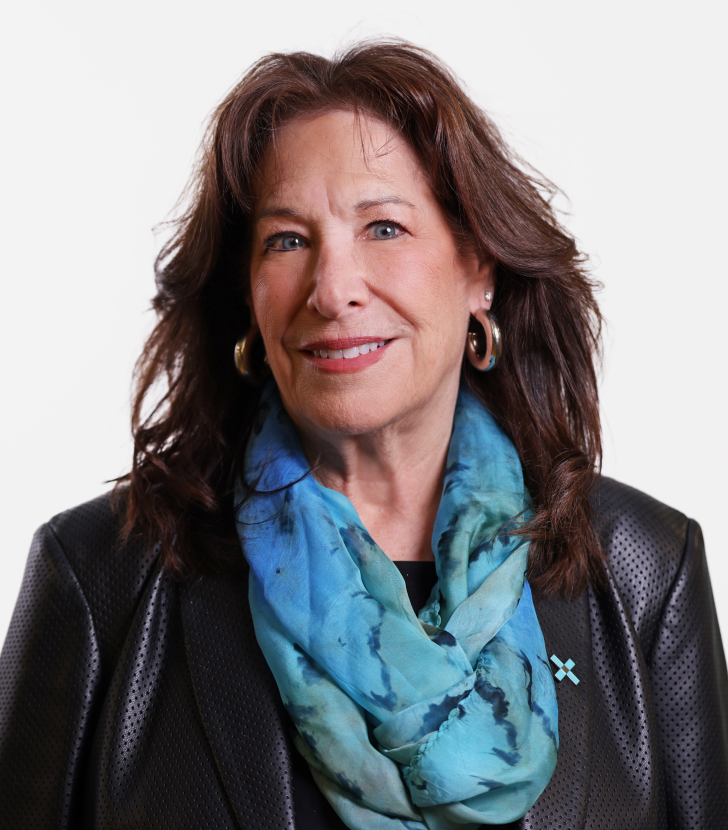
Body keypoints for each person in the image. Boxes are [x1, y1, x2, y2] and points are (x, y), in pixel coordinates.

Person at [0, 39, 726, 830]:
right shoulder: (101, 575)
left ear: (479, 267)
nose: (333, 289)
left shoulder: (645, 572)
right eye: (287, 240)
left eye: (383, 228)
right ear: (249, 294)